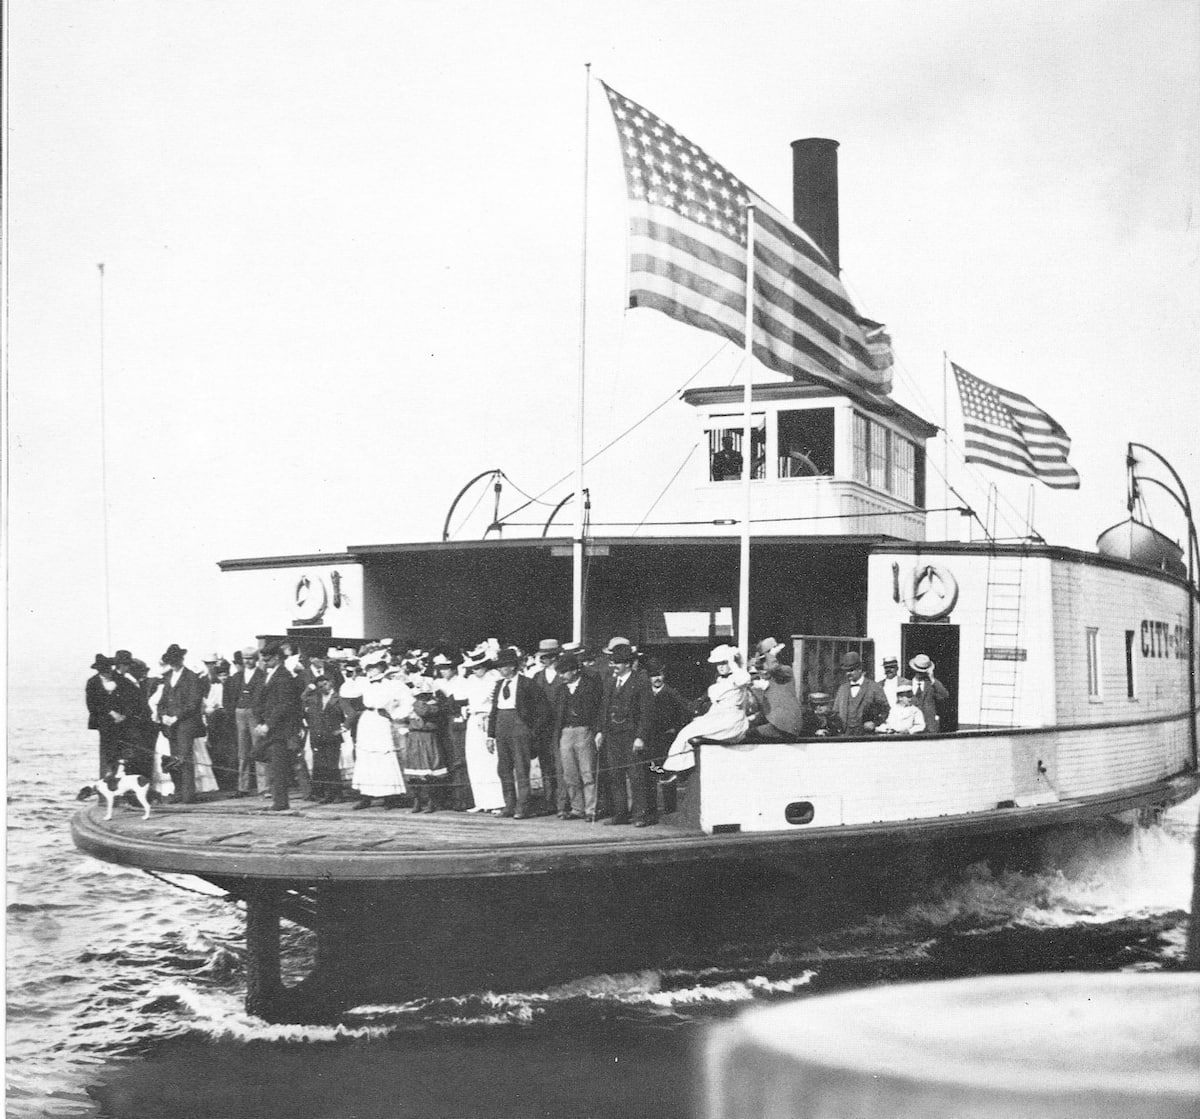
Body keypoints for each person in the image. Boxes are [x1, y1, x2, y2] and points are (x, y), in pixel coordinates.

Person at [662, 644, 751, 774]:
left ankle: (679, 769)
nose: (720, 666)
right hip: (718, 717)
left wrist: (732, 663)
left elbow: (745, 679)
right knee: (686, 731)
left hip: (732, 721)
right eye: (718, 664)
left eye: (724, 663)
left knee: (689, 733)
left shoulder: (737, 679)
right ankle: (678, 768)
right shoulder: (720, 681)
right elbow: (716, 707)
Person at [486, 646, 551, 819]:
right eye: (499, 666)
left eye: (503, 666)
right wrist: (490, 735)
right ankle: (509, 805)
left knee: (522, 768)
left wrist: (532, 731)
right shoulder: (499, 684)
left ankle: (523, 806)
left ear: (513, 667)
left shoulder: (527, 683)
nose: (500, 669)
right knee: (504, 768)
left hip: (519, 726)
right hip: (502, 726)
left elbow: (543, 710)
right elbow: (494, 711)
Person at [596, 642, 655, 826]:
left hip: (631, 736)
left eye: (618, 662)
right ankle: (620, 813)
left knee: (636, 776)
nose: (614, 665)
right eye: (613, 662)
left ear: (628, 664)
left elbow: (647, 712)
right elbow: (604, 709)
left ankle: (640, 815)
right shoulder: (611, 682)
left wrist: (641, 737)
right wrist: (600, 731)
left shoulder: (641, 681)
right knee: (615, 776)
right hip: (613, 735)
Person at [350, 649, 408, 809]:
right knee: (366, 756)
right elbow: (347, 691)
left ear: (382, 667)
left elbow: (405, 701)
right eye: (368, 667)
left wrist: (394, 713)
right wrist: (355, 677)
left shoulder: (393, 683)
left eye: (374, 667)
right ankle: (366, 796)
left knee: (384, 756)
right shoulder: (363, 683)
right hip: (367, 720)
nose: (371, 670)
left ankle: (390, 797)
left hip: (382, 720)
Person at [253, 641, 306, 811]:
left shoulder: (283, 677)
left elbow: (283, 705)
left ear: (276, 658)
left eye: (267, 660)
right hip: (269, 727)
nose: (265, 663)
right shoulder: (269, 675)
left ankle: (281, 802)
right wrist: (260, 722)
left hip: (280, 730)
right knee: (273, 765)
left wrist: (268, 724)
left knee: (278, 767)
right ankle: (278, 800)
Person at [550, 653, 603, 821]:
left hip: (584, 730)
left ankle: (591, 809)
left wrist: (597, 731)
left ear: (574, 670)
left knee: (588, 772)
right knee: (570, 774)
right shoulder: (561, 690)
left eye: (564, 672)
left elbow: (598, 710)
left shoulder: (590, 686)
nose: (561, 676)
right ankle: (577, 808)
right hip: (566, 732)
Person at [156, 643, 206, 804]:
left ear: (181, 659)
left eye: (175, 659)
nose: (173, 663)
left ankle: (188, 795)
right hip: (170, 725)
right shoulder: (169, 676)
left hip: (186, 724)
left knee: (184, 759)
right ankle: (178, 792)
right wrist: (163, 715)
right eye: (170, 660)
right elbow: (162, 700)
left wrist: (176, 717)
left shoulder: (191, 677)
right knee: (173, 759)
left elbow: (194, 702)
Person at [643, 657, 691, 816]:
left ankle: (670, 809)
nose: (657, 679)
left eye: (659, 675)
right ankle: (650, 809)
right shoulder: (645, 693)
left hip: (666, 740)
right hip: (650, 740)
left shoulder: (671, 693)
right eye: (653, 675)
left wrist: (675, 729)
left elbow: (685, 712)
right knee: (650, 773)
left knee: (667, 773)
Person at [461, 646, 505, 812]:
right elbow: (463, 697)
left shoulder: (494, 678)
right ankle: (481, 801)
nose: (475, 670)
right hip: (473, 720)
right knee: (475, 760)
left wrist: (485, 715)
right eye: (473, 667)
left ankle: (497, 802)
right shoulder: (471, 680)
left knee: (491, 760)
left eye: (478, 667)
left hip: (487, 719)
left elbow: (493, 702)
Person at [530, 638, 567, 816]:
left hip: (561, 725)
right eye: (542, 657)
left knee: (561, 765)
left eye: (546, 657)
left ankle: (562, 803)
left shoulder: (563, 675)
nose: (543, 660)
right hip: (543, 727)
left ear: (554, 657)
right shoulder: (537, 677)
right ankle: (549, 800)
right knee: (546, 764)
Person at [432, 651, 473, 810]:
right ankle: (450, 796)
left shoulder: (463, 682)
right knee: (447, 757)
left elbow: (464, 702)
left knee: (459, 759)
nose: (443, 671)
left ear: (454, 668)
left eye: (447, 668)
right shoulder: (439, 683)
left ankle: (463, 798)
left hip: (457, 722)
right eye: (441, 668)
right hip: (443, 723)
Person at [748, 639, 805, 741]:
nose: (761, 665)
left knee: (750, 734)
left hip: (786, 726)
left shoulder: (785, 671)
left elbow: (773, 668)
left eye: (763, 661)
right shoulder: (768, 678)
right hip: (777, 724)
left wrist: (770, 654)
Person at [227, 646, 264, 797]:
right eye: (245, 659)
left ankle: (264, 787)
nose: (248, 661)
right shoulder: (236, 678)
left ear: (256, 659)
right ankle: (243, 787)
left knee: (259, 748)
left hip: (255, 714)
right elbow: (229, 698)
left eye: (250, 659)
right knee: (242, 751)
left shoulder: (262, 675)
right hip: (240, 712)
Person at [304, 675, 347, 802]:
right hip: (318, 736)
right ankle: (328, 794)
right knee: (323, 766)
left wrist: (343, 728)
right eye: (320, 686)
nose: (324, 687)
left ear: (331, 683)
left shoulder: (338, 698)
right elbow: (303, 698)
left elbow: (351, 714)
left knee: (333, 766)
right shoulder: (316, 698)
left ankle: (337, 794)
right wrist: (309, 688)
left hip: (332, 736)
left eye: (325, 684)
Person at [832, 651, 890, 736]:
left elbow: (885, 709)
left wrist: (875, 723)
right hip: (845, 735)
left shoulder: (874, 687)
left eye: (851, 670)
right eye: (846, 671)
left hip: (866, 735)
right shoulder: (842, 689)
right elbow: (835, 711)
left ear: (860, 669)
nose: (848, 673)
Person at [86, 654, 123, 777]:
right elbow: (92, 705)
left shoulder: (121, 680)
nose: (106, 673)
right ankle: (107, 778)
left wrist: (123, 715)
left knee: (121, 751)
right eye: (103, 670)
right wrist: (111, 713)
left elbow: (130, 699)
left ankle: (119, 780)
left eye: (108, 669)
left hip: (122, 722)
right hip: (104, 723)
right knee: (107, 751)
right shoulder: (92, 683)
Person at [908, 654, 950, 734]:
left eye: (922, 671)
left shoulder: (931, 685)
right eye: (918, 671)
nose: (920, 673)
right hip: (912, 726)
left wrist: (932, 679)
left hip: (930, 727)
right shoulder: (907, 684)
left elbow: (945, 695)